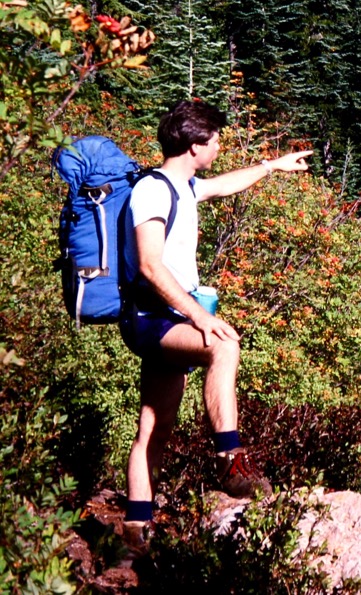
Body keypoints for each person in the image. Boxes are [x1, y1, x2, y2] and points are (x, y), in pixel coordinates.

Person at [118, 100, 312, 551]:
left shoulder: (183, 187)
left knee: (154, 425)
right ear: (193, 146)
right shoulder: (151, 191)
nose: (220, 145)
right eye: (216, 140)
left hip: (166, 317)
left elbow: (223, 187)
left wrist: (271, 166)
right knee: (223, 345)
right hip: (151, 318)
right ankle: (231, 458)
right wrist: (199, 315)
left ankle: (134, 531)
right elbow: (149, 264)